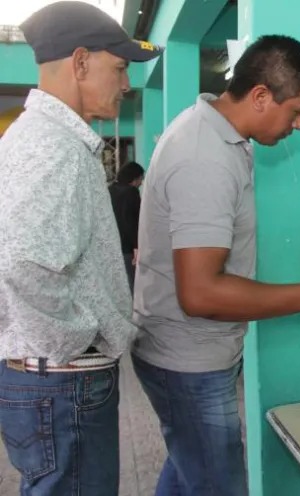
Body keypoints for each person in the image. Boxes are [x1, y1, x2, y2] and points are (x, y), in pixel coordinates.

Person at [132, 35, 300, 495]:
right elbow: (201, 293)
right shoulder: (205, 156)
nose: (298, 125)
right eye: (296, 110)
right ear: (260, 96)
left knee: (187, 474)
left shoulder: (219, 136)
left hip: (191, 354)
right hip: (187, 360)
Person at [0, 2, 163, 495]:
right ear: (80, 62)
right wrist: (84, 338)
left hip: (51, 379)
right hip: (63, 382)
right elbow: (23, 262)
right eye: (119, 68)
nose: (127, 84)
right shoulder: (53, 147)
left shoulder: (35, 138)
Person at [109, 160, 144, 290]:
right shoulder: (132, 192)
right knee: (131, 284)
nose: (141, 183)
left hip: (111, 244)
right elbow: (133, 222)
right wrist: (137, 246)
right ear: (135, 178)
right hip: (127, 247)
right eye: (141, 179)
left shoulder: (110, 189)